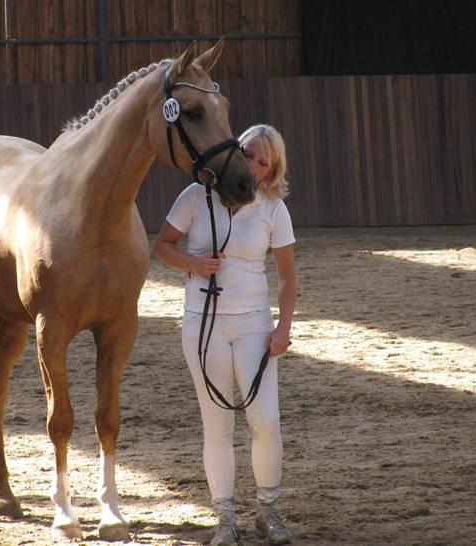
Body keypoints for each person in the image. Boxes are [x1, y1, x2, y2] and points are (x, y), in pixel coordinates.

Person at [153, 124, 297, 546]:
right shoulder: (196, 197)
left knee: (264, 421)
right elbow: (162, 246)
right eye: (247, 153)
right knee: (216, 426)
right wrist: (192, 262)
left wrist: (282, 328)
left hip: (254, 322)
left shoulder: (273, 210)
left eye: (261, 161)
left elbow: (288, 279)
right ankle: (225, 519)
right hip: (203, 323)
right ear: (234, 152)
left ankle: (267, 511)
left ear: (270, 172)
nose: (251, 163)